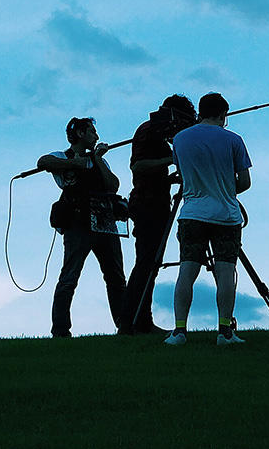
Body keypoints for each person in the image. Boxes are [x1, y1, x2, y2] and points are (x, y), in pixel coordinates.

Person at [164, 92, 251, 347]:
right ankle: (224, 332)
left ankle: (179, 331)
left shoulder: (180, 139)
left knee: (187, 271)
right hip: (226, 216)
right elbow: (244, 182)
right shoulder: (234, 140)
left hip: (192, 214)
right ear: (224, 113)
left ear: (200, 112)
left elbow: (182, 174)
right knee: (225, 273)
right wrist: (223, 187)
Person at [38, 116, 127, 338]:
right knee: (70, 276)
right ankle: (60, 330)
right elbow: (43, 162)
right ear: (80, 134)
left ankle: (125, 325)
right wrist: (73, 164)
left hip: (105, 222)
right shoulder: (62, 156)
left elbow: (113, 185)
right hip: (77, 224)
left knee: (115, 276)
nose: (96, 136)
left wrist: (96, 159)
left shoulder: (99, 160)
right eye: (92, 132)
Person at [119, 94, 197, 335]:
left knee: (150, 264)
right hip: (147, 205)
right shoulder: (149, 130)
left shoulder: (155, 132)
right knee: (146, 263)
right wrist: (172, 159)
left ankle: (140, 321)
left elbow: (152, 173)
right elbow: (138, 166)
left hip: (156, 202)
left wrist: (170, 177)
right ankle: (131, 322)